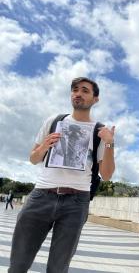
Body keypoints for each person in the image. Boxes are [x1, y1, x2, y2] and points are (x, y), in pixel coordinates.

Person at [9, 77, 115, 273]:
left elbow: (106, 175)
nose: (78, 94)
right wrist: (44, 146)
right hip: (41, 195)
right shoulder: (54, 121)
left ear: (95, 99)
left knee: (59, 267)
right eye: (75, 90)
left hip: (76, 202)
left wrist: (109, 143)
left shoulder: (100, 131)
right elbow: (33, 159)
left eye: (85, 90)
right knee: (18, 263)